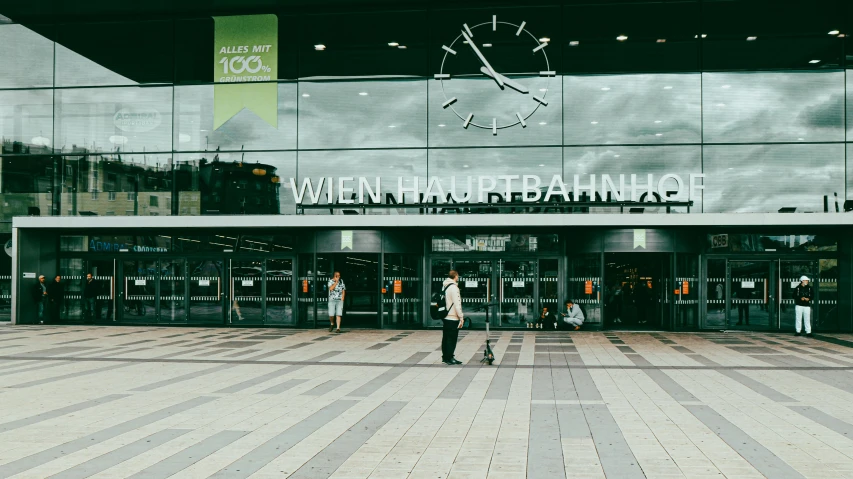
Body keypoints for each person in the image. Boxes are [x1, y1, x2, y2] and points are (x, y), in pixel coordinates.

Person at [441, 270, 464, 365]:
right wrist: (461, 317)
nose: (458, 277)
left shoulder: (445, 285)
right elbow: (457, 304)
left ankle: (445, 357)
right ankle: (450, 357)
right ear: (455, 276)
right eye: (457, 276)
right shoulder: (454, 287)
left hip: (445, 315)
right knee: (452, 338)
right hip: (452, 316)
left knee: (446, 337)